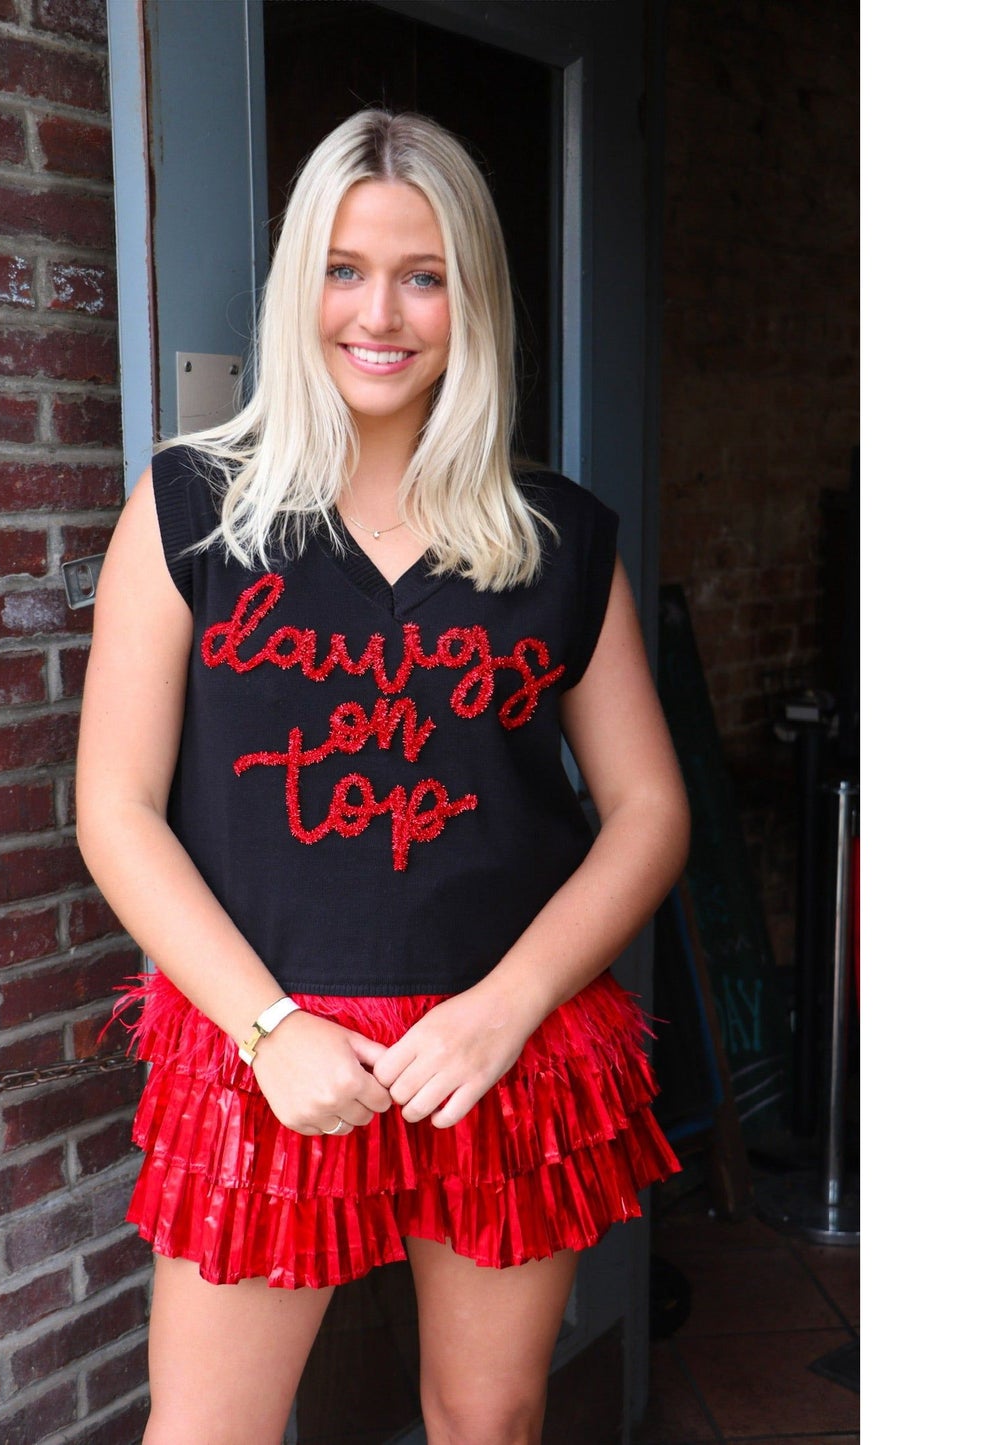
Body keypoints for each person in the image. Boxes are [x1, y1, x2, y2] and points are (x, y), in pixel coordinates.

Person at [75, 109, 688, 1445]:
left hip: (500, 1051)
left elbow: (647, 811)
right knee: (207, 1431)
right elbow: (114, 807)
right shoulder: (193, 508)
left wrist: (506, 1007)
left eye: (424, 275)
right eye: (345, 269)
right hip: (267, 1044)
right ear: (301, 284)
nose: (381, 313)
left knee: (488, 1415)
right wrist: (265, 1025)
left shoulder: (557, 537)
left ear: (471, 299)